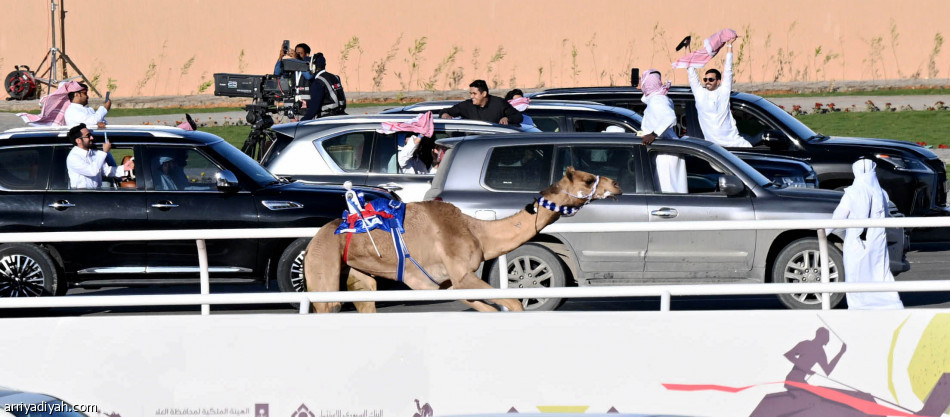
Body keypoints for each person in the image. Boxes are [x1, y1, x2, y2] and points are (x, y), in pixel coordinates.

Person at [825, 159, 904, 310]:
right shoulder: (881, 193)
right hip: (877, 243)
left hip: (855, 243)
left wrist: (823, 233)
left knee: (856, 275)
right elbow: (886, 216)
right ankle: (887, 306)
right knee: (878, 274)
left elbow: (839, 216)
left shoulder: (852, 192)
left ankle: (859, 308)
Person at [686, 38, 751, 148]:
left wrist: (729, 45)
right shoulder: (700, 94)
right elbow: (691, 73)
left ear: (719, 81)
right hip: (715, 150)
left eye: (711, 80)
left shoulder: (723, 92)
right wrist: (687, 48)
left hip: (735, 144)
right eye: (705, 80)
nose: (707, 82)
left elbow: (728, 70)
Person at [639, 70, 687, 193]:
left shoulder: (658, 100)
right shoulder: (656, 98)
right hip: (664, 149)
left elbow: (670, 118)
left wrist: (653, 134)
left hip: (666, 151)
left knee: (668, 188)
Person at [65, 123, 133, 189]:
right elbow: (92, 171)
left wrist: (124, 168)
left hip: (96, 195)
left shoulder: (94, 153)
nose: (92, 137)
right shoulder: (73, 158)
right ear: (78, 140)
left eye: (91, 135)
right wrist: (104, 152)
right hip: (82, 197)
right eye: (88, 136)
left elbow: (106, 171)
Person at [440, 80, 523, 125]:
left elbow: (518, 116)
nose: (472, 96)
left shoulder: (499, 104)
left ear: (484, 94)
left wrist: (507, 118)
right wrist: (445, 115)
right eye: (471, 94)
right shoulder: (466, 105)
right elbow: (445, 111)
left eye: (474, 94)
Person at [302, 52, 347, 120]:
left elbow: (314, 108)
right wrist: (308, 103)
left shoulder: (318, 82)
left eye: (309, 64)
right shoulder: (335, 77)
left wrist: (302, 121)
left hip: (328, 119)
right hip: (341, 116)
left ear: (313, 66)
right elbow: (328, 98)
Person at [274, 42, 314, 118]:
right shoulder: (290, 67)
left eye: (300, 54)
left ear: (307, 54)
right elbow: (277, 75)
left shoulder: (311, 67)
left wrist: (297, 59)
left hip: (305, 107)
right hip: (290, 107)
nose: (297, 55)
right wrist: (280, 57)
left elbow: (308, 76)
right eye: (296, 53)